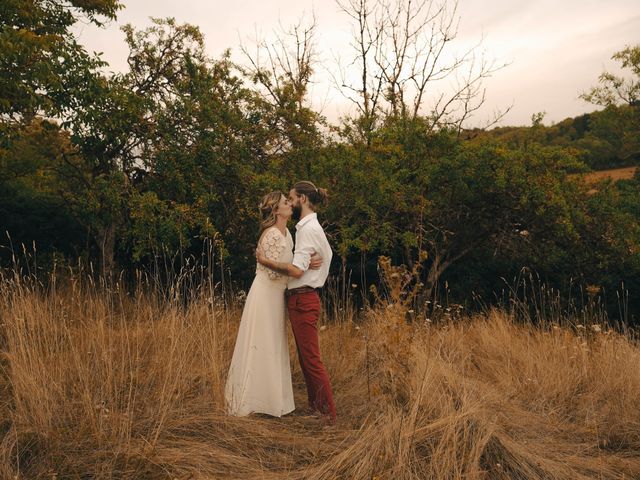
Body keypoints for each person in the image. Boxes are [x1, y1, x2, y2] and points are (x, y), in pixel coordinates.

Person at [224, 191, 322, 417]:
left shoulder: (286, 233)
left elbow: (290, 267)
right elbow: (278, 273)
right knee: (261, 343)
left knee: (273, 345)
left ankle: (271, 400)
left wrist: (304, 264)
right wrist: (305, 267)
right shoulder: (271, 235)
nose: (290, 204)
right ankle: (252, 400)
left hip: (277, 297)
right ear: (276, 210)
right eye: (285, 202)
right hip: (266, 294)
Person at [256, 181, 336, 424]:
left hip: (303, 297)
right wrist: (308, 265)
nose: (289, 202)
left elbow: (297, 270)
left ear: (302, 199)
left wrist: (266, 262)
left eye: (291, 198)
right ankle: (316, 408)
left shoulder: (306, 229)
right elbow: (326, 255)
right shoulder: (309, 227)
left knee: (311, 359)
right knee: (306, 357)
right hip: (303, 297)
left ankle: (328, 414)